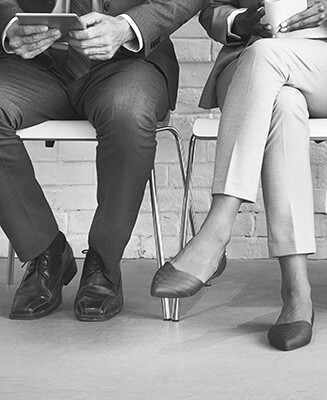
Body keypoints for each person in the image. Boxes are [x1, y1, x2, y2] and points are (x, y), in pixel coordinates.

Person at [150, 0, 327, 351]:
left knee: (267, 57)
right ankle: (296, 291)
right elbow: (212, 8)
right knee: (284, 102)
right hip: (251, 65)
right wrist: (238, 21)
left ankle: (217, 229)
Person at [0, 0, 207, 321]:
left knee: (127, 113)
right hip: (34, 64)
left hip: (128, 62)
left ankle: (104, 261)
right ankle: (45, 251)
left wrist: (127, 26)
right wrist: (8, 25)